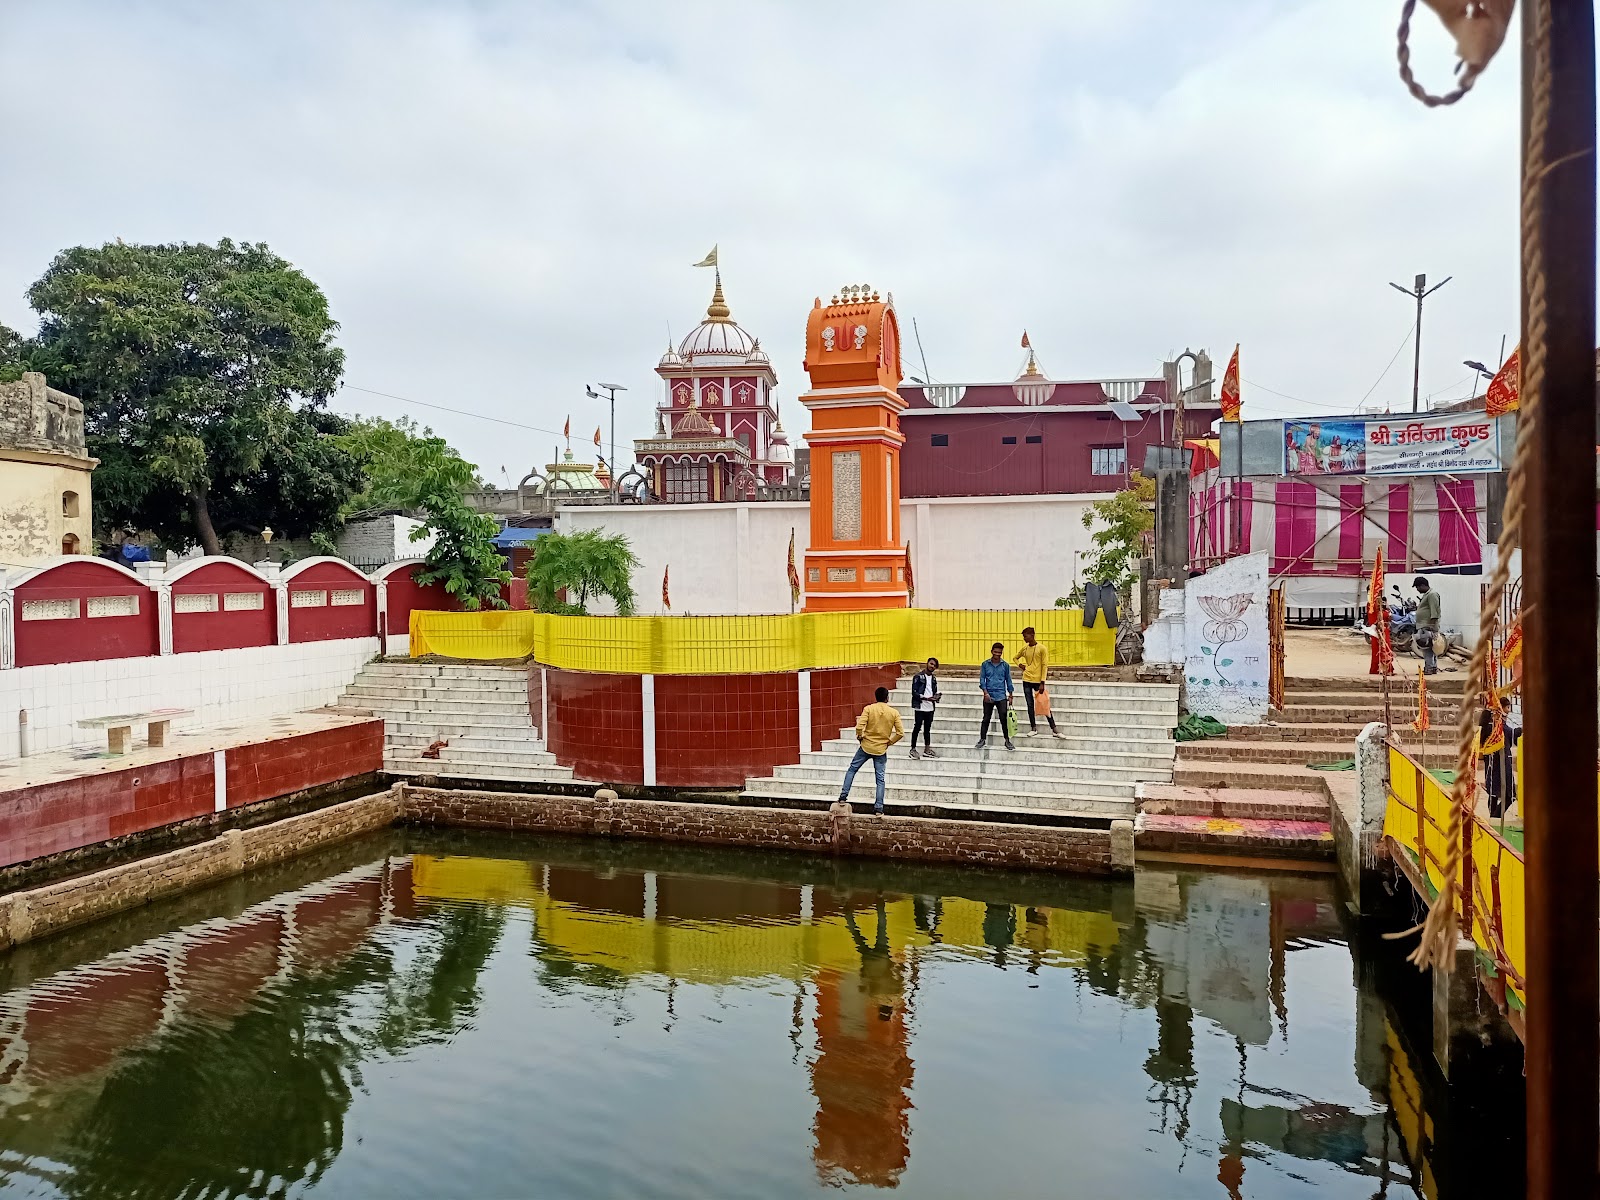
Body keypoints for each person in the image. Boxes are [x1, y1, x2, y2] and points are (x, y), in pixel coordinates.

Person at [839, 686, 903, 814]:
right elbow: (900, 733)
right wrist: (889, 743)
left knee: (852, 769)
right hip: (881, 749)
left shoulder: (868, 709)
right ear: (887, 698)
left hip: (866, 746)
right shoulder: (894, 713)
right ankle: (879, 807)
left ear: (876, 697)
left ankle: (843, 797)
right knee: (880, 779)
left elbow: (859, 727)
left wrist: (860, 737)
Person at [1014, 627, 1065, 739]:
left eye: (1025, 636)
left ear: (1032, 635)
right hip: (1026, 680)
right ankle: (1033, 728)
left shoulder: (1042, 648)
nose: (1024, 638)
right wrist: (1020, 665)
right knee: (1029, 705)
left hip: (1038, 681)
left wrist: (1043, 682)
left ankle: (1054, 729)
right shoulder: (1025, 648)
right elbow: (1015, 658)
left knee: (1044, 704)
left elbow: (1044, 665)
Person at [975, 642, 1016, 751]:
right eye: (995, 652)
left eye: (999, 652)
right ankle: (982, 739)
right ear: (992, 651)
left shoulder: (1005, 665)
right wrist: (985, 692)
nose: (997, 654)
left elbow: (1008, 680)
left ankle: (1007, 740)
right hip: (988, 695)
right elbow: (982, 679)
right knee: (986, 718)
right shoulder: (985, 664)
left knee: (1004, 719)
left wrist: (1011, 694)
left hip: (1001, 696)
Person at [908, 657, 941, 759]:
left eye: (934, 665)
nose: (932, 666)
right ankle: (912, 749)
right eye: (931, 664)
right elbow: (914, 692)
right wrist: (926, 698)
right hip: (920, 706)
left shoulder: (934, 679)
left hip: (930, 707)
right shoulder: (918, 677)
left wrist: (936, 697)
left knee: (927, 728)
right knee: (917, 727)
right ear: (927, 663)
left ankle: (927, 749)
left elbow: (933, 691)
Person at [1413, 576, 1441, 675]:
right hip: (1424, 625)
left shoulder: (1432, 595)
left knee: (1427, 648)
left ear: (1423, 585)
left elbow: (1435, 612)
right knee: (1430, 647)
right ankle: (1432, 667)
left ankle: (1429, 668)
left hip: (1428, 625)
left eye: (1417, 587)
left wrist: (1430, 626)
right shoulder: (1427, 595)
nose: (1417, 589)